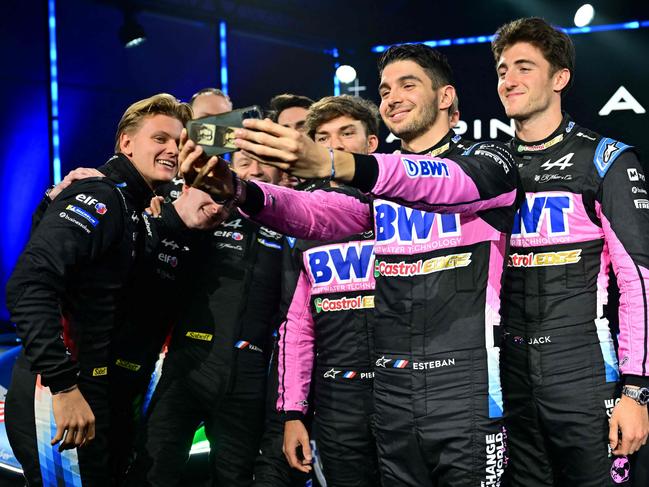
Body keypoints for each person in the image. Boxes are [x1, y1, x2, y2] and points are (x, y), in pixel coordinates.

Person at [180, 44, 521, 486]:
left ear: (445, 97)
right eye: (385, 89)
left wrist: (333, 161)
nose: (392, 96)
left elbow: (445, 183)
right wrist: (238, 189)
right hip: (392, 398)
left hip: (469, 392)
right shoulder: (374, 194)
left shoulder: (489, 162)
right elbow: (315, 213)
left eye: (407, 84)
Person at [4, 93, 224, 486]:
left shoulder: (134, 205)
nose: (172, 149)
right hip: (61, 389)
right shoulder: (101, 195)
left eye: (178, 141)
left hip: (95, 385)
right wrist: (64, 384)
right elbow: (29, 282)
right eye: (160, 139)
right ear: (126, 143)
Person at [491, 17, 649, 486]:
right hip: (508, 370)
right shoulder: (487, 168)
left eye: (523, 67)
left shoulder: (605, 158)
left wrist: (637, 391)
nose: (508, 80)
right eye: (502, 70)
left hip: (583, 367)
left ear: (559, 78)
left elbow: (639, 280)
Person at [127, 97, 286, 486]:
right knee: (151, 471)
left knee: (233, 478)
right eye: (245, 160)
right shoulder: (195, 209)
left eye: (265, 162)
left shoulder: (299, 224)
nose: (255, 169)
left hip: (251, 374)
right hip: (186, 362)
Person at [279, 95, 381, 486]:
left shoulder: (403, 207)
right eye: (324, 137)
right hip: (336, 400)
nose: (335, 144)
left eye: (347, 133)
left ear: (372, 144)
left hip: (403, 390)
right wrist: (293, 414)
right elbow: (297, 328)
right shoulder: (305, 224)